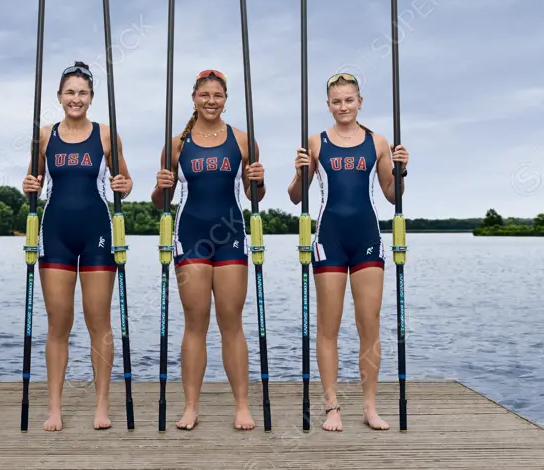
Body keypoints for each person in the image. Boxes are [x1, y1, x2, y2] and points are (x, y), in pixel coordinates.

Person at [287, 71, 408, 432]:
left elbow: (393, 195)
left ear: (360, 102)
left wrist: (401, 171)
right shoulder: (316, 142)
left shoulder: (378, 142)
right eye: (336, 101)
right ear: (328, 105)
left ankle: (370, 407)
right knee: (329, 327)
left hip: (367, 237)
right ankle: (332, 406)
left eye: (349, 100)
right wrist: (298, 173)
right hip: (329, 240)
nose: (343, 106)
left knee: (369, 324)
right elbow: (296, 197)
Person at [21, 61, 133, 431]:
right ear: (59, 97)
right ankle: (55, 407)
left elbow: (126, 180)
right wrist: (28, 188)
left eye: (82, 93)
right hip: (55, 234)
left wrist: (124, 186)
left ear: (91, 98)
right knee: (58, 323)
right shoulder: (44, 135)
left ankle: (101, 405)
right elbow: (33, 180)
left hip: (97, 231)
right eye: (69, 92)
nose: (76, 98)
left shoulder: (105, 135)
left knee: (98, 322)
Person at [151, 69, 265, 431]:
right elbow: (159, 202)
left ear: (226, 99)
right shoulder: (176, 145)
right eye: (205, 95)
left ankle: (242, 406)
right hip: (191, 237)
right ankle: (191, 407)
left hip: (231, 234)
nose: (211, 101)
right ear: (194, 98)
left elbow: (254, 196)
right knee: (195, 324)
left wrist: (258, 182)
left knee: (231, 323)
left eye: (218, 95)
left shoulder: (243, 141)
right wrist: (160, 187)